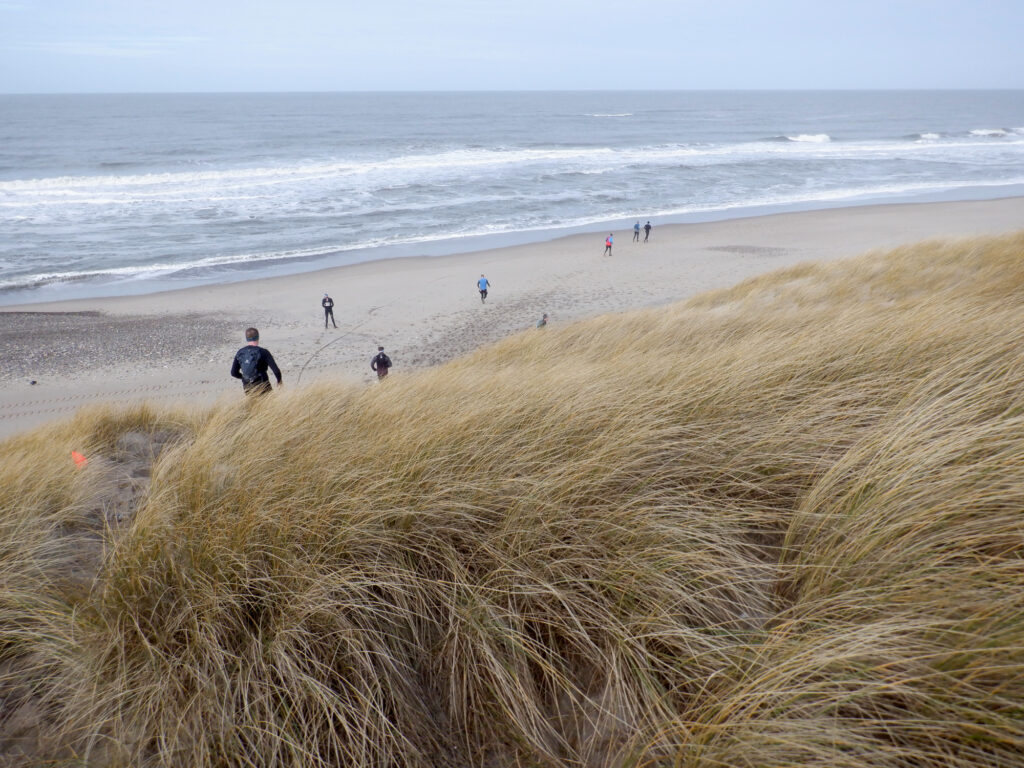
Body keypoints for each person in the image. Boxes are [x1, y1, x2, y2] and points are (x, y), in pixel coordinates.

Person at [230, 327, 282, 396]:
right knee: (269, 404)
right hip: (263, 384)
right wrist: (279, 381)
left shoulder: (240, 352)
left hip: (247, 384)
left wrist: (243, 378)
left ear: (246, 338)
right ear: (258, 337)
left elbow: (233, 373)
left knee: (253, 404)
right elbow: (276, 371)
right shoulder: (263, 352)